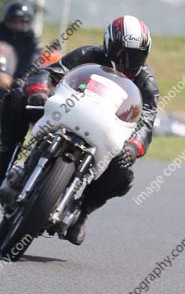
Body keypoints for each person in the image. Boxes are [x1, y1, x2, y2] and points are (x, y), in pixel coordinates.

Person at [0, 15, 159, 245]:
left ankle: (81, 214)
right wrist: (39, 91)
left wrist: (133, 147)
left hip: (106, 133)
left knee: (123, 174)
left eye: (135, 55)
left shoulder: (147, 81)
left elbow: (147, 121)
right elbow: (48, 72)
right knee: (17, 97)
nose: (127, 61)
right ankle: (4, 159)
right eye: (121, 52)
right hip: (65, 113)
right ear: (108, 44)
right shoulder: (87, 55)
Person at [0, 1, 42, 79]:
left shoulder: (32, 40)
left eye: (22, 22)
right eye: (14, 21)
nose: (18, 25)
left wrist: (21, 82)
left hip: (20, 82)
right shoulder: (1, 33)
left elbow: (33, 64)